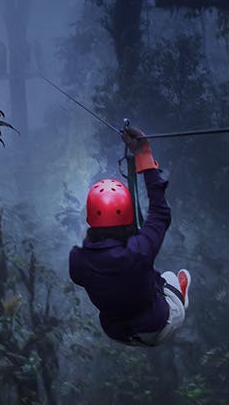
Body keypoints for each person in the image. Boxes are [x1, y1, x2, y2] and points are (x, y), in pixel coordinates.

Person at [69, 125, 190, 346]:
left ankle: (164, 290)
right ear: (128, 214)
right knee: (170, 278)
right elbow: (160, 212)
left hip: (119, 334)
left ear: (90, 218)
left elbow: (89, 265)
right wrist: (143, 153)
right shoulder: (138, 250)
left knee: (146, 282)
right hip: (158, 328)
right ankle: (177, 295)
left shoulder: (77, 261)